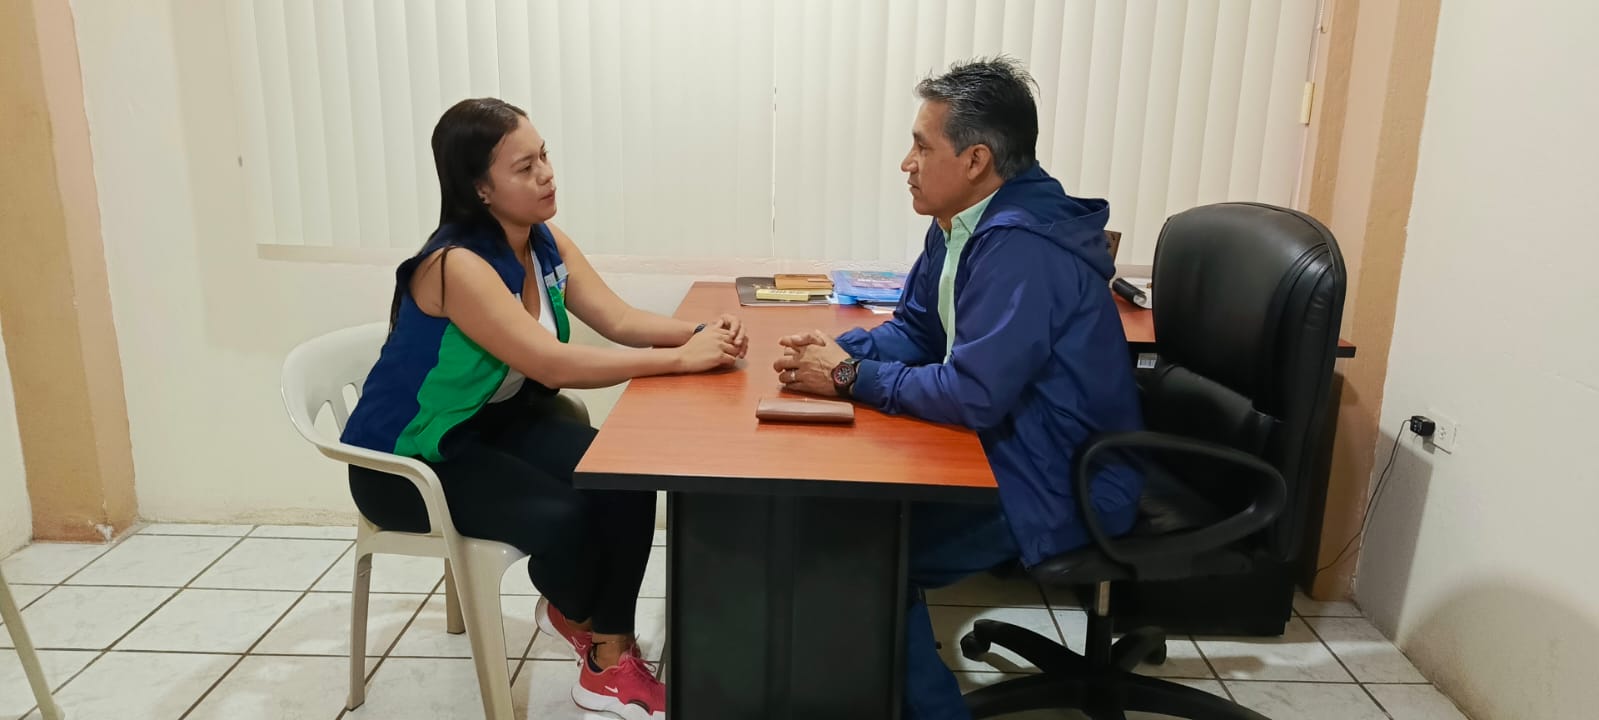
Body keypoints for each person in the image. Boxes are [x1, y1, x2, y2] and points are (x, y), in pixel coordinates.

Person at [341, 97, 747, 720]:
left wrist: (697, 333)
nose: (547, 175)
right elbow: (551, 364)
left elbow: (617, 318)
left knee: (626, 475)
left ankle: (607, 650)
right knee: (565, 519)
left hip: (491, 426)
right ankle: (583, 625)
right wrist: (681, 360)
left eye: (545, 156)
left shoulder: (544, 241)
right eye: (524, 167)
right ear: (479, 188)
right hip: (408, 462)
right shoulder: (457, 267)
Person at [770, 58, 1143, 720]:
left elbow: (972, 393)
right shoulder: (959, 223)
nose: (906, 163)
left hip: (1064, 479)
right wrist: (833, 354)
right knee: (846, 522)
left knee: (864, 558)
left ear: (975, 160)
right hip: (1014, 450)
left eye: (921, 146)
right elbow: (917, 330)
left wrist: (848, 378)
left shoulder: (1022, 247)